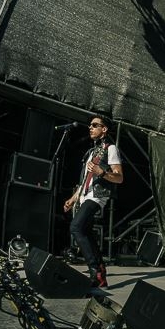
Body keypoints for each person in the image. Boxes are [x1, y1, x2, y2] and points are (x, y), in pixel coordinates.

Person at [63, 115, 124, 288]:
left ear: (104, 129)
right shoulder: (91, 152)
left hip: (97, 196)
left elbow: (119, 178)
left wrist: (102, 172)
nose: (90, 127)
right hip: (84, 195)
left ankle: (94, 270)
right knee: (86, 232)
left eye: (95, 125)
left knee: (76, 227)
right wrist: (73, 198)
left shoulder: (111, 148)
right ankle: (101, 272)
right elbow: (85, 180)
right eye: (90, 125)